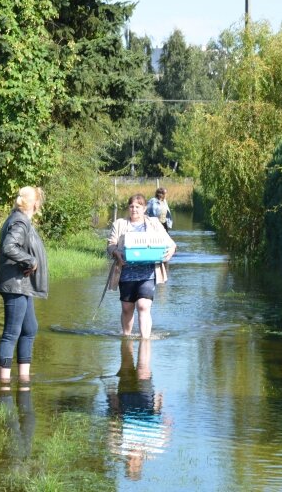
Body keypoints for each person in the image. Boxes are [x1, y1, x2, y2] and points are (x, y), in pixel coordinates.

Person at [0, 186, 48, 389]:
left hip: (22, 284)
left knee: (29, 328)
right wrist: (30, 261)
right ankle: (4, 384)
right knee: (11, 333)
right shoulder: (19, 221)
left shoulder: (20, 219)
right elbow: (9, 246)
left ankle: (24, 379)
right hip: (15, 284)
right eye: (38, 201)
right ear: (34, 203)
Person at [107, 194, 176, 338]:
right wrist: (116, 253)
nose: (134, 210)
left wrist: (170, 252)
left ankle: (145, 339)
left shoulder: (154, 223)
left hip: (148, 273)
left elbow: (170, 243)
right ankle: (126, 336)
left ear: (144, 208)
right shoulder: (119, 224)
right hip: (125, 273)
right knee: (127, 308)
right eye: (131, 206)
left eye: (138, 207)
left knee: (144, 306)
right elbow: (111, 244)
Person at [106, 338, 171, 481]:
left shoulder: (118, 448)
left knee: (126, 367)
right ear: (140, 463)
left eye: (128, 465)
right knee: (143, 369)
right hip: (145, 401)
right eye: (133, 465)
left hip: (125, 399)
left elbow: (113, 422)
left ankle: (127, 339)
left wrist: (112, 397)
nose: (130, 461)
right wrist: (161, 401)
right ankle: (144, 339)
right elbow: (166, 424)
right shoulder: (154, 449)